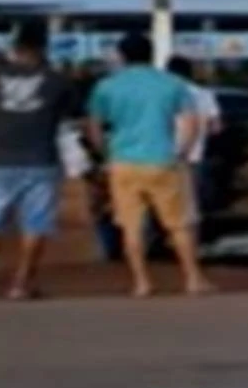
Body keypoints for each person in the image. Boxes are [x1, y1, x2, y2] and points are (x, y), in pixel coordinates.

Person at [86, 32, 214, 298]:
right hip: (162, 159)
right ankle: (192, 278)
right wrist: (183, 152)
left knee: (131, 226)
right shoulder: (171, 84)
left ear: (121, 56)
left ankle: (142, 282)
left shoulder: (107, 86)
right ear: (152, 53)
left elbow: (94, 127)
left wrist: (105, 154)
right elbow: (192, 122)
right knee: (178, 224)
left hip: (123, 162)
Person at [0, 20, 76, 301]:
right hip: (40, 156)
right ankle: (21, 283)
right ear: (44, 46)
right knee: (35, 223)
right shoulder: (55, 79)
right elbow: (65, 117)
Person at [165, 55, 223, 215]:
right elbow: (216, 127)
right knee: (191, 206)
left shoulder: (163, 94)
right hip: (195, 156)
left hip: (165, 156)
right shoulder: (204, 94)